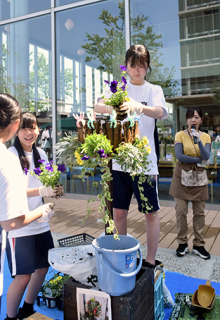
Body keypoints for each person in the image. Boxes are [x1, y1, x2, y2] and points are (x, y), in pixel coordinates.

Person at [94, 44, 168, 268]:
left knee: (151, 214)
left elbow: (161, 112)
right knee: (118, 213)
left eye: (141, 66)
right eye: (132, 65)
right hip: (119, 162)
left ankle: (150, 259)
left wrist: (139, 107)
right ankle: (122, 255)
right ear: (126, 67)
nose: (136, 70)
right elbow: (97, 106)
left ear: (147, 67)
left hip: (145, 163)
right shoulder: (118, 89)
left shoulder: (153, 90)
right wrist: (114, 109)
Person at [0, 94, 54, 313]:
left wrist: (52, 191)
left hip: (41, 221)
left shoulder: (42, 153)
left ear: (39, 130)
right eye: (24, 128)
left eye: (32, 128)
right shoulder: (10, 155)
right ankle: (11, 316)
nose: (28, 132)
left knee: (42, 269)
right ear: (15, 129)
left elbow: (49, 182)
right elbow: (13, 193)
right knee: (23, 276)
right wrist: (41, 192)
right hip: (19, 225)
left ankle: (27, 309)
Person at [169, 107, 211, 259]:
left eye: (197, 117)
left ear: (201, 120)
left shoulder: (205, 136)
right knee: (181, 211)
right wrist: (199, 160)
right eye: (190, 117)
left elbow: (207, 155)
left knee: (199, 213)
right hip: (181, 176)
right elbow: (180, 156)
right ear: (186, 120)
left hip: (199, 177)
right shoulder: (180, 134)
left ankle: (199, 245)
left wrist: (198, 140)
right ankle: (182, 243)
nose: (193, 120)